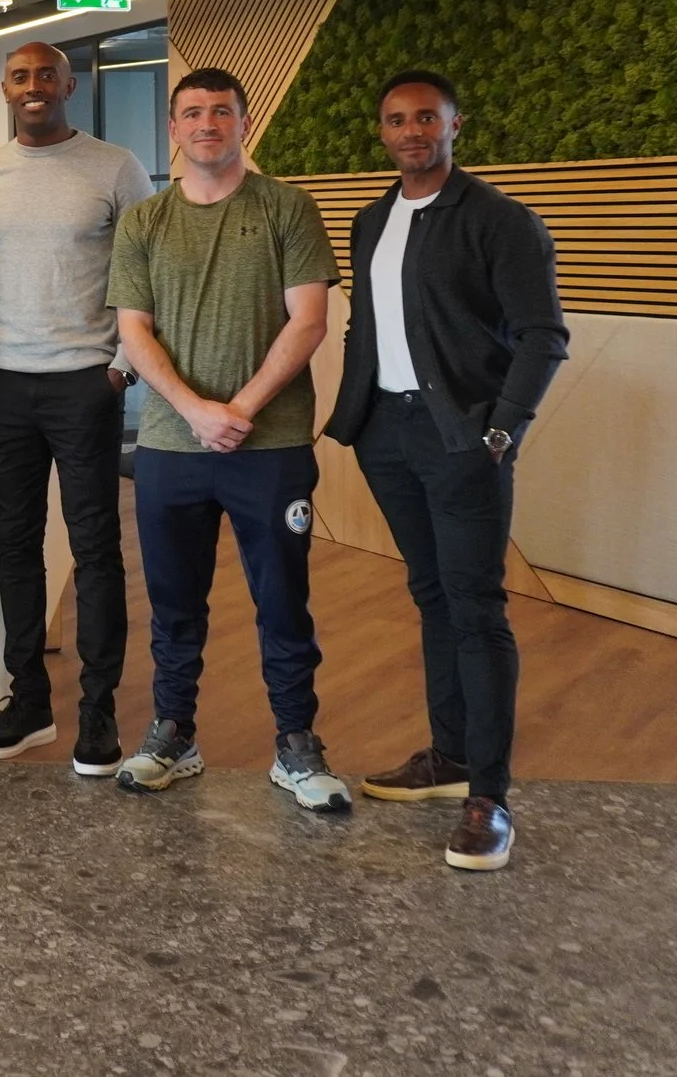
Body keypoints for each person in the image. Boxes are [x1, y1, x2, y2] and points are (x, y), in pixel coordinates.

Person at [324, 70, 566, 871]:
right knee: (432, 594)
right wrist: (357, 409)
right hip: (385, 436)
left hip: (463, 440)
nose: (412, 131)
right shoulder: (371, 219)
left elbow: (543, 335)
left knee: (475, 608)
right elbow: (370, 323)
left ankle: (489, 797)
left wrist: (500, 428)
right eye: (397, 119)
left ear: (455, 124)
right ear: (382, 131)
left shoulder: (500, 219)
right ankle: (451, 753)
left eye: (427, 117)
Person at [109, 66, 350, 811]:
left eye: (221, 111)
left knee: (283, 601)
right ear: (174, 130)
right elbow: (134, 332)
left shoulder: (287, 207)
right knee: (173, 603)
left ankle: (296, 743)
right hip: (169, 447)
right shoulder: (144, 221)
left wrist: (238, 408)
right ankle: (173, 734)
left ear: (243, 122)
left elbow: (309, 320)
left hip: (269, 446)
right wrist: (194, 410)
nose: (207, 123)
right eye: (192, 113)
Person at [0, 42, 152, 775]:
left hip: (85, 384)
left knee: (95, 547)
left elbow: (145, 273)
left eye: (47, 74)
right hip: (2, 383)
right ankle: (30, 700)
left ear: (70, 84)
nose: (33, 85)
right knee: (16, 544)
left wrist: (121, 368)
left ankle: (98, 710)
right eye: (20, 76)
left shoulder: (115, 167)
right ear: (5, 89)